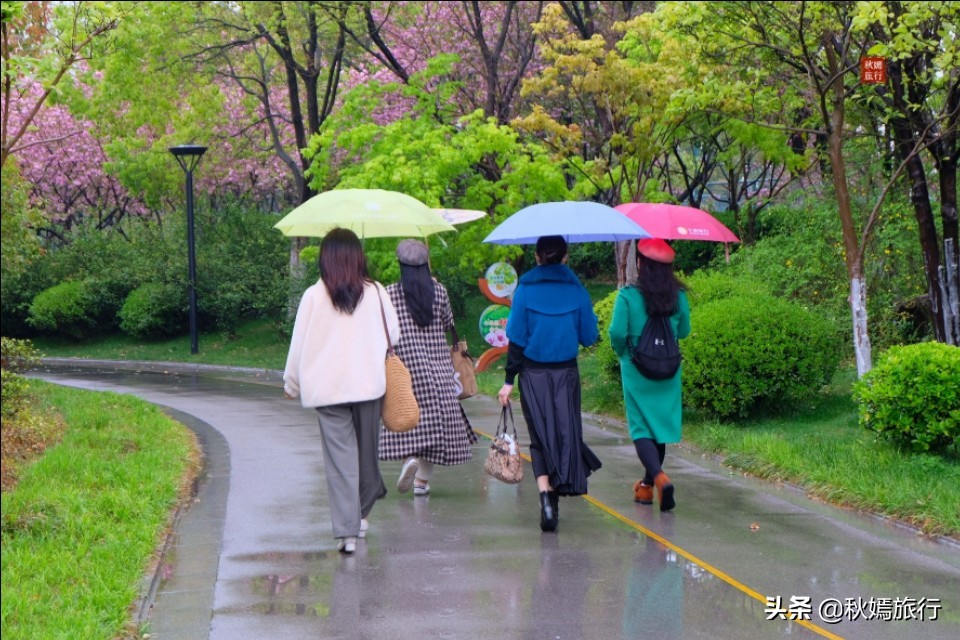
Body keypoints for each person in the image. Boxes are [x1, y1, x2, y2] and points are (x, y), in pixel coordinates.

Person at [283, 227, 400, 554]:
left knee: (342, 460)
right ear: (357, 258)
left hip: (327, 387)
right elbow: (395, 332)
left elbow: (299, 345)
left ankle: (350, 528)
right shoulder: (376, 291)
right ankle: (356, 519)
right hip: (368, 384)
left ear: (326, 259)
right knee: (365, 456)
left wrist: (291, 382)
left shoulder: (313, 296)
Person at [497, 235, 602, 532]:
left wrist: (508, 381)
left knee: (540, 437)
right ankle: (558, 491)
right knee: (566, 433)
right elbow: (589, 336)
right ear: (566, 257)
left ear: (537, 256)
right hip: (566, 375)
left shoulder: (525, 291)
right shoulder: (577, 290)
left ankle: (546, 497)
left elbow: (515, 340)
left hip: (532, 375)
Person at [380, 239, 477, 496]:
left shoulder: (389, 293)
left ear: (401, 265)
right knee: (434, 425)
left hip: (406, 368)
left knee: (405, 417)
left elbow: (385, 331)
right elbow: (448, 325)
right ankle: (421, 482)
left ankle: (408, 459)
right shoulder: (440, 292)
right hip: (438, 369)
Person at [607, 238, 691, 512]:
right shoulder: (678, 296)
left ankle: (659, 478)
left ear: (641, 264)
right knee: (659, 430)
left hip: (636, 367)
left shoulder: (628, 295)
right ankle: (646, 488)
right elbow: (683, 332)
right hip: (668, 368)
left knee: (642, 428)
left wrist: (624, 354)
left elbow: (617, 333)